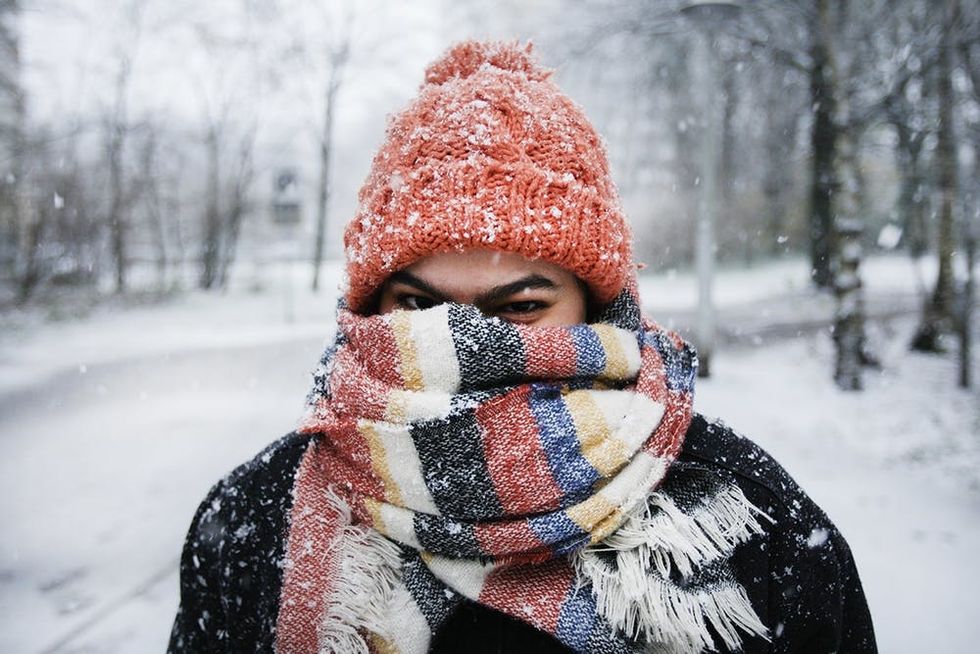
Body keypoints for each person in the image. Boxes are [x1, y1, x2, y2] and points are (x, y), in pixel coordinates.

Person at [168, 40, 876, 654]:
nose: (463, 340)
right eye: (417, 305)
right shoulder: (258, 525)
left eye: (521, 308)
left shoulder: (746, 521)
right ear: (369, 308)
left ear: (598, 310)